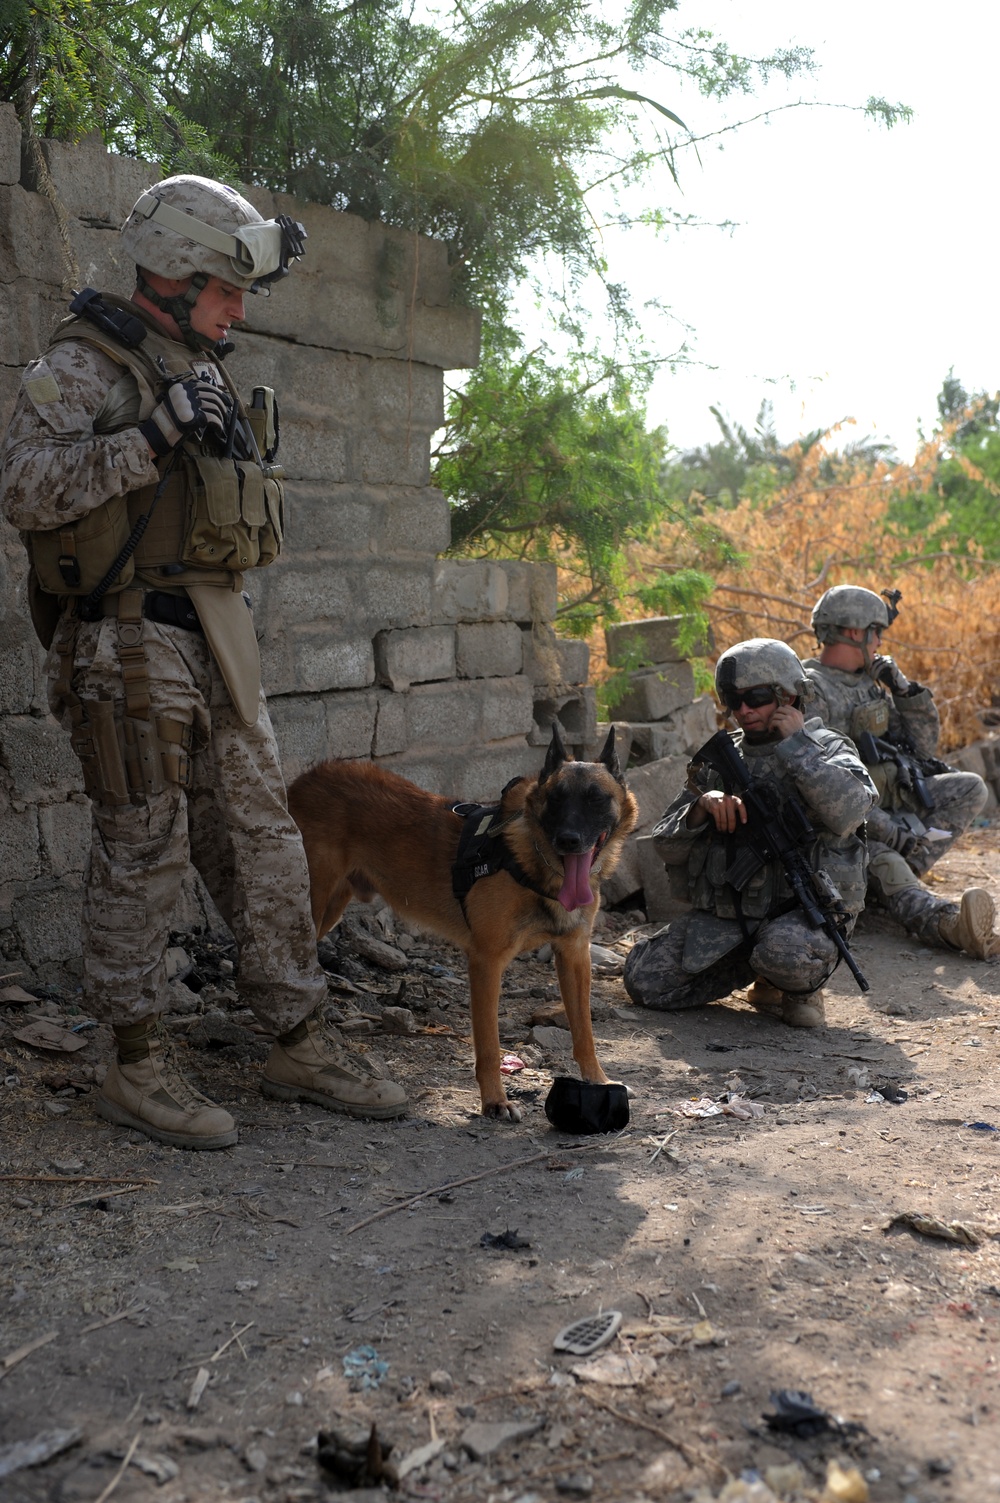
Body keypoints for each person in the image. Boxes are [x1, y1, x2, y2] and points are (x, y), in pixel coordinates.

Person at [0, 174, 407, 1149]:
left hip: (214, 633)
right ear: (175, 271)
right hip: (124, 639)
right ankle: (135, 1063)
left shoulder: (200, 363)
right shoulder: (84, 364)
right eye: (226, 288)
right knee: (142, 848)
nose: (237, 307)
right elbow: (24, 486)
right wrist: (146, 438)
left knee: (263, 836)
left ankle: (297, 1035)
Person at [624, 639, 877, 1029]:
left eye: (755, 697)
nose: (743, 711)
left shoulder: (826, 747)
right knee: (645, 981)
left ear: (789, 695)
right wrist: (701, 806)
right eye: (732, 700)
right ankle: (756, 969)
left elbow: (852, 810)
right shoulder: (723, 758)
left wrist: (797, 749)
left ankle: (795, 987)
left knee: (785, 956)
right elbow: (666, 846)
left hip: (801, 917)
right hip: (732, 915)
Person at [804, 585, 996, 961]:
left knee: (970, 788)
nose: (879, 643)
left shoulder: (867, 682)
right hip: (846, 827)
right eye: (877, 632)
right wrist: (890, 833)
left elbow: (923, 748)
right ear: (856, 632)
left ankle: (893, 882)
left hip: (891, 806)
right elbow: (824, 787)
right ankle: (952, 926)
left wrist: (904, 691)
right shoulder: (812, 691)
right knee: (888, 865)